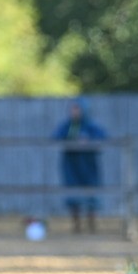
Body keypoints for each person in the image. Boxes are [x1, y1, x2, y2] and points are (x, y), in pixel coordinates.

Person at [52, 98, 107, 234]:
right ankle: (76, 226)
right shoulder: (67, 126)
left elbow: (103, 137)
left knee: (91, 194)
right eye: (72, 109)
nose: (74, 112)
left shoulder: (91, 126)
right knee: (73, 194)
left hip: (88, 166)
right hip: (71, 166)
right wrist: (70, 140)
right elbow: (55, 136)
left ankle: (92, 225)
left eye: (77, 109)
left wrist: (89, 141)